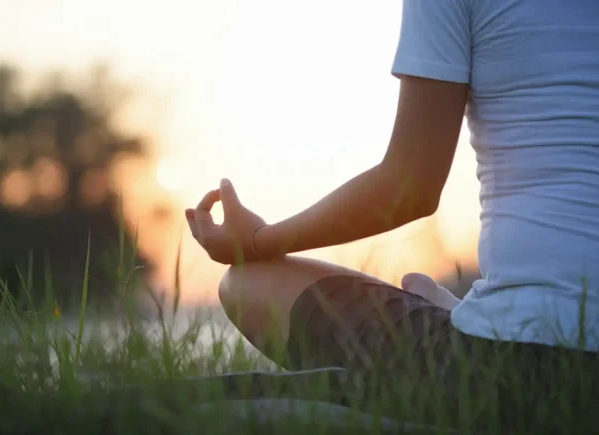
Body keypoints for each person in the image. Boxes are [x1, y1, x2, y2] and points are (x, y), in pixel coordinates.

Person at [185, 0, 599, 378]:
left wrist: (256, 241)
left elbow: (410, 187)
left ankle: (466, 331)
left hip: (516, 355)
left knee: (248, 283)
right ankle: (460, 313)